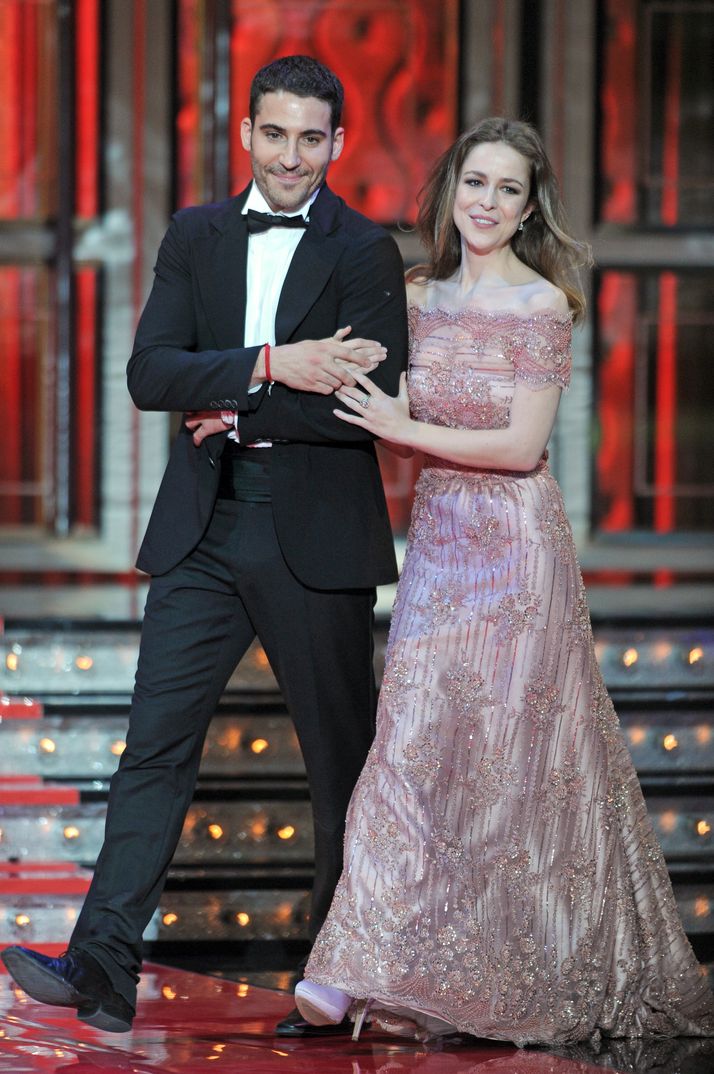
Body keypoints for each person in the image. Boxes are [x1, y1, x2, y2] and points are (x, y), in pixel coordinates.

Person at [1, 55, 408, 1037]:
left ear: (338, 144)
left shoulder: (366, 250)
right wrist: (274, 366)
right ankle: (101, 963)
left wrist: (230, 395)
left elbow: (370, 412)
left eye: (313, 137)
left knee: (339, 765)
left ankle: (336, 981)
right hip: (205, 526)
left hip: (316, 533)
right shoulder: (196, 234)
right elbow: (150, 373)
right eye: (276, 133)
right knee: (152, 751)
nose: (293, 155)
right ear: (248, 134)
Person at [294, 117, 714, 1045]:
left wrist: (403, 433)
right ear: (450, 190)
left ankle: (493, 968)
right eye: (475, 183)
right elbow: (357, 386)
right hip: (439, 544)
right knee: (408, 743)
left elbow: (522, 450)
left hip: (517, 552)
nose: (487, 203)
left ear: (530, 210)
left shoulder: (541, 305)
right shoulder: (410, 295)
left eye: (508, 190)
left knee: (506, 768)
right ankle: (352, 961)